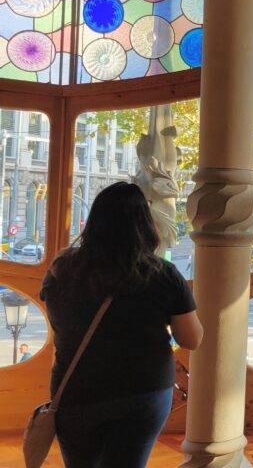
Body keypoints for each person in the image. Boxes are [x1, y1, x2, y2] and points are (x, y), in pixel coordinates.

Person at [40, 182, 203, 468]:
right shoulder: (162, 274)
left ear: (94, 222)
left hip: (77, 389)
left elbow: (58, 319)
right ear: (145, 224)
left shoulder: (62, 268)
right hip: (143, 390)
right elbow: (191, 338)